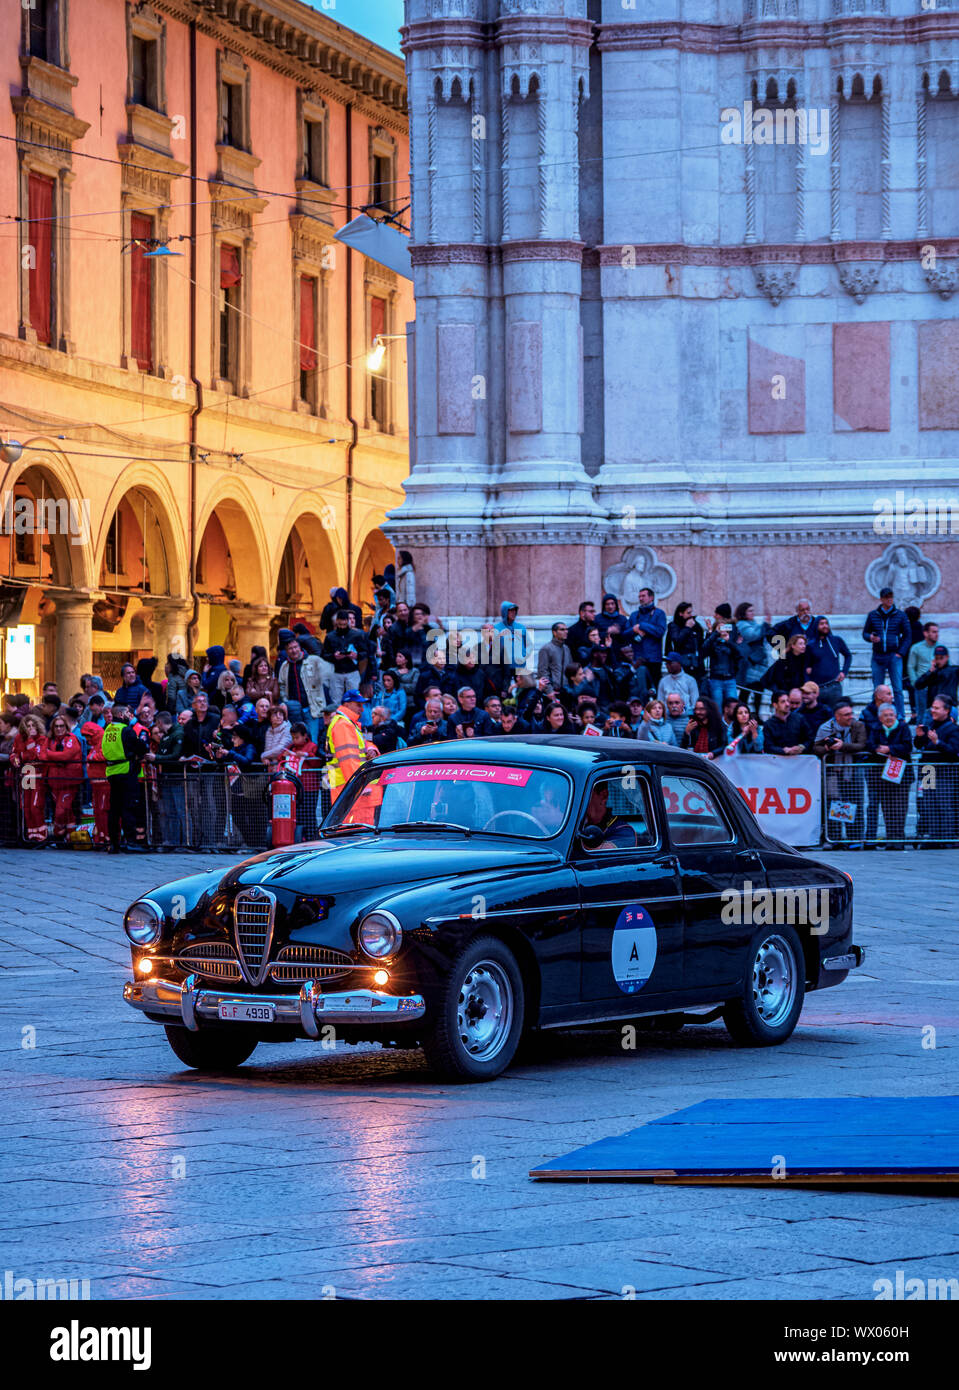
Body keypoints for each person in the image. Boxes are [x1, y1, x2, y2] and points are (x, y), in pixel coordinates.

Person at [814, 700, 867, 846]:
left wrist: (843, 746)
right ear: (837, 717)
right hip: (834, 771)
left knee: (855, 803)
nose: (851, 716)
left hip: (853, 770)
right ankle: (835, 838)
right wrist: (827, 748)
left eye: (851, 713)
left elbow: (861, 745)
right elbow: (816, 748)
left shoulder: (858, 725)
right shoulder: (825, 728)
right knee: (835, 804)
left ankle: (854, 839)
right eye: (846, 715)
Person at [865, 703, 914, 846]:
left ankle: (898, 838)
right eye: (885, 715)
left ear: (896, 715)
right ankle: (890, 838)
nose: (889, 718)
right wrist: (877, 749)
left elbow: (907, 746)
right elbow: (870, 745)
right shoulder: (875, 728)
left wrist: (890, 749)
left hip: (902, 775)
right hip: (883, 776)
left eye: (891, 715)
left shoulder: (903, 727)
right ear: (880, 717)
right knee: (887, 807)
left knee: (900, 807)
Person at [101, 707, 148, 853]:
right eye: (128, 713)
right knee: (128, 808)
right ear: (121, 715)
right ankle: (131, 843)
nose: (130, 716)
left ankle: (114, 844)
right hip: (126, 771)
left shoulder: (108, 729)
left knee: (114, 810)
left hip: (112, 772)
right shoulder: (126, 730)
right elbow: (141, 747)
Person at [862, 587, 911, 721]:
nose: (889, 599)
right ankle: (877, 715)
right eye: (886, 597)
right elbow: (865, 633)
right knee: (877, 689)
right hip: (877, 656)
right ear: (881, 599)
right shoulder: (873, 615)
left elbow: (907, 636)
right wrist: (870, 637)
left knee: (897, 688)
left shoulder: (900, 615)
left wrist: (900, 653)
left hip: (894, 656)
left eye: (891, 597)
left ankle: (900, 716)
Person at [915, 695, 959, 844]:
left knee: (944, 804)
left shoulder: (953, 729)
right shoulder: (930, 725)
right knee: (929, 804)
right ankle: (934, 837)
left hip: (943, 773)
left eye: (937, 708)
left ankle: (946, 837)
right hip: (928, 771)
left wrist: (937, 742)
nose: (933, 710)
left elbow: (954, 752)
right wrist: (920, 737)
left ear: (946, 710)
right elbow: (921, 745)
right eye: (932, 707)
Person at [40, 713, 83, 846]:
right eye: (56, 726)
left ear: (66, 726)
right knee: (67, 810)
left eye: (61, 726)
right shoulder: (49, 740)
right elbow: (41, 755)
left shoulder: (72, 738)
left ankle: (58, 834)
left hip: (69, 781)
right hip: (54, 781)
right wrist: (54, 756)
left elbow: (66, 756)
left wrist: (50, 755)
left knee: (60, 810)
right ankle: (69, 838)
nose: (59, 729)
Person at [326, 690, 377, 800]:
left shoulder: (349, 723)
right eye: (358, 705)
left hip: (350, 790)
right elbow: (348, 759)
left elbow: (364, 743)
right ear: (347, 705)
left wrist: (372, 749)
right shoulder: (344, 725)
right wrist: (359, 786)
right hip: (351, 792)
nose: (362, 709)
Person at [278, 637, 326, 743]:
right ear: (286, 651)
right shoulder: (284, 666)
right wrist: (285, 701)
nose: (294, 650)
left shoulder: (312, 661)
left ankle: (312, 759)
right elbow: (281, 685)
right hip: (294, 709)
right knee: (296, 739)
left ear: (300, 648)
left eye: (295, 647)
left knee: (313, 738)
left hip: (311, 707)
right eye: (290, 648)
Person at [11, 713, 48, 844]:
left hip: (37, 776)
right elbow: (15, 755)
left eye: (33, 725)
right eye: (28, 726)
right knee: (26, 806)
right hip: (26, 776)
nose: (31, 728)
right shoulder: (18, 738)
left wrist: (30, 741)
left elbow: (34, 756)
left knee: (35, 806)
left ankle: (41, 835)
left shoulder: (42, 739)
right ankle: (31, 834)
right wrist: (17, 759)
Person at [321, 611, 369, 707]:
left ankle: (352, 720)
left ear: (347, 621)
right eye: (340, 624)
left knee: (353, 700)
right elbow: (323, 655)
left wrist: (356, 656)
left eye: (344, 624)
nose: (342, 626)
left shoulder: (357, 635)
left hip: (352, 671)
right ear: (336, 622)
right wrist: (334, 656)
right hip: (336, 671)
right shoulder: (330, 637)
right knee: (336, 701)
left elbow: (365, 652)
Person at [733, 603, 774, 711]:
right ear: (743, 613)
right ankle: (742, 712)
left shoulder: (753, 623)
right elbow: (753, 636)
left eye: (753, 610)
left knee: (758, 690)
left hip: (759, 662)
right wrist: (765, 624)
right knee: (746, 691)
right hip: (749, 664)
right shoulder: (742, 624)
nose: (753, 613)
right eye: (750, 611)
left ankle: (756, 714)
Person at [626, 587, 667, 692]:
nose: (640, 598)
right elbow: (625, 634)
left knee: (654, 689)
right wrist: (634, 630)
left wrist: (642, 625)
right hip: (638, 659)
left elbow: (660, 632)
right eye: (639, 596)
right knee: (640, 689)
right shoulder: (634, 615)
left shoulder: (659, 613)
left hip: (654, 659)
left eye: (643, 596)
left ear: (651, 598)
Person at [807, 616, 852, 709]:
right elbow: (807, 665)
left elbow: (848, 655)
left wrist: (844, 672)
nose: (825, 626)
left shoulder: (836, 640)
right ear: (816, 626)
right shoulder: (810, 645)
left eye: (826, 623)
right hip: (817, 688)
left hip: (834, 686)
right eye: (821, 624)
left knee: (836, 714)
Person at [580, 780, 639, 850]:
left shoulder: (624, 830)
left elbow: (600, 852)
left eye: (583, 795)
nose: (578, 803)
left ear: (603, 796)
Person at [701, 616, 741, 708]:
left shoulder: (730, 642)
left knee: (733, 707)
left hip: (730, 679)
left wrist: (728, 641)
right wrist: (714, 633)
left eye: (724, 627)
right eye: (720, 628)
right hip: (716, 680)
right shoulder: (713, 642)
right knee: (717, 707)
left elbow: (739, 654)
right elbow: (704, 649)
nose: (722, 630)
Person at [907, 621, 940, 725]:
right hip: (922, 687)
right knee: (921, 715)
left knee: (937, 715)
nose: (937, 634)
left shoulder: (941, 648)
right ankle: (921, 738)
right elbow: (911, 666)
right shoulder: (916, 648)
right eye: (934, 632)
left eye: (937, 632)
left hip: (936, 687)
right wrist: (915, 683)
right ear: (926, 633)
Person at [665, 601, 705, 682]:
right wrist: (687, 628)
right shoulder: (674, 625)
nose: (691, 615)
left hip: (695, 663)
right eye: (688, 613)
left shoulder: (695, 625)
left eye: (691, 612)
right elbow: (677, 641)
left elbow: (701, 643)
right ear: (681, 613)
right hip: (681, 663)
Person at [762, 691, 810, 756]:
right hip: (777, 762)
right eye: (783, 702)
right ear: (775, 705)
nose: (787, 704)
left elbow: (810, 739)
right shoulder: (768, 724)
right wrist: (783, 750)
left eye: (788, 701)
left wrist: (801, 747)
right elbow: (768, 746)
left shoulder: (800, 719)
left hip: (800, 761)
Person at [915, 645, 959, 715]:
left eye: (941, 658)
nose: (939, 661)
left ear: (947, 657)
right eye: (936, 658)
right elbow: (918, 685)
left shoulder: (954, 671)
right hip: (933, 709)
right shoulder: (932, 673)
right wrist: (930, 672)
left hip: (949, 708)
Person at [495, 600, 529, 671]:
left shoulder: (521, 627)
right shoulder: (496, 628)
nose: (513, 613)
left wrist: (523, 655)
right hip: (503, 667)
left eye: (514, 610)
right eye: (511, 610)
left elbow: (527, 644)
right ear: (505, 612)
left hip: (520, 666)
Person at [537, 621, 573, 689]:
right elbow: (542, 672)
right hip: (553, 690)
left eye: (566, 629)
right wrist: (549, 690)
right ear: (554, 632)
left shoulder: (566, 648)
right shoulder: (546, 649)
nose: (566, 632)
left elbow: (570, 669)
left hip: (566, 689)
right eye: (562, 629)